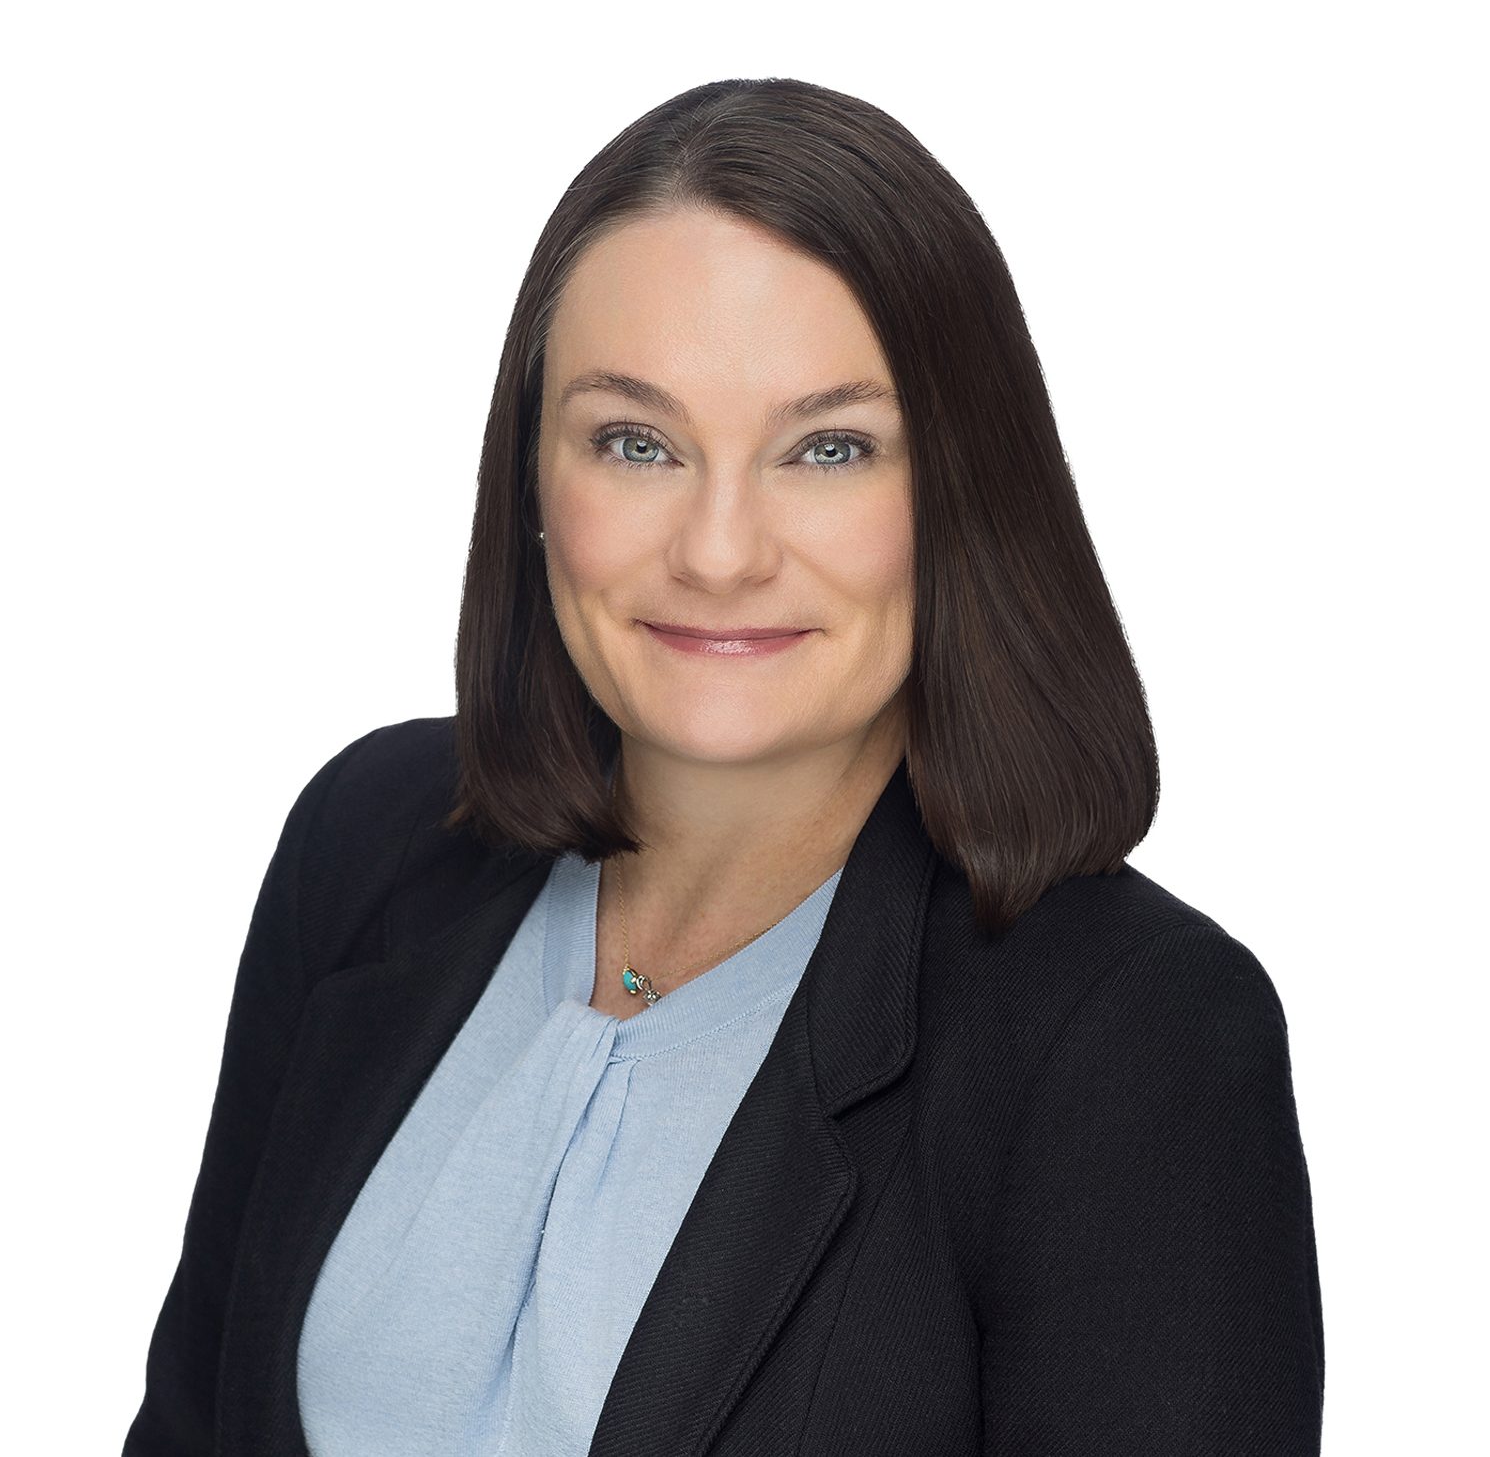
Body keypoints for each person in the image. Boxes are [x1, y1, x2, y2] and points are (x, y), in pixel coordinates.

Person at [123, 77, 1324, 1456]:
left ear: (963, 494)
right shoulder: (368, 843)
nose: (718, 551)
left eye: (829, 449)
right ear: (532, 476)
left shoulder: (1132, 1037)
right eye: (636, 443)